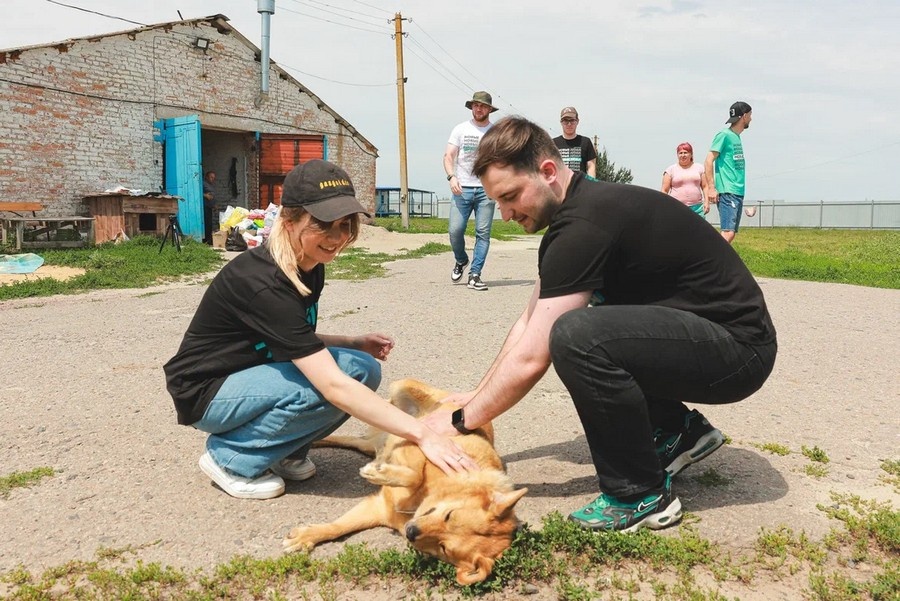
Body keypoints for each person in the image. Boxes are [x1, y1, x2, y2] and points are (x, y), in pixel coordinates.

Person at [422, 117, 777, 533]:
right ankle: (678, 432)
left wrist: (458, 423)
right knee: (584, 327)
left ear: (548, 172)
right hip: (710, 339)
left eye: (511, 196)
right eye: (497, 202)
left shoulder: (585, 226)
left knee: (577, 336)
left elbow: (534, 355)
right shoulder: (579, 217)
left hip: (736, 351)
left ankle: (638, 494)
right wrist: (476, 396)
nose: (504, 213)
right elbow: (528, 322)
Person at [164, 159, 476, 500]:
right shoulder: (264, 283)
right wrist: (423, 434)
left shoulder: (307, 263)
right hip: (206, 391)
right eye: (323, 224)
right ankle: (232, 458)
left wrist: (353, 342)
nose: (336, 238)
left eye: (344, 225)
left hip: (249, 372)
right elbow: (332, 384)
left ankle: (283, 451)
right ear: (289, 219)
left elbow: (291, 338)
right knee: (335, 382)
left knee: (361, 366)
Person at [443, 91, 498, 291]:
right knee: (455, 231)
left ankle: (475, 274)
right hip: (462, 188)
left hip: (486, 190)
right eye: (475, 105)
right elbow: (448, 156)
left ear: (489, 109)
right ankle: (461, 260)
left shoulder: (495, 132)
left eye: (482, 106)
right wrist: (452, 177)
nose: (478, 108)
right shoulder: (460, 129)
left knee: (483, 233)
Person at [705, 101, 752, 244]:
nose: (751, 118)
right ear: (743, 116)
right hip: (727, 191)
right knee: (728, 232)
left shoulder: (736, 137)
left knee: (731, 233)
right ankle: (709, 261)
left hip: (737, 191)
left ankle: (716, 262)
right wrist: (712, 188)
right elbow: (708, 160)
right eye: (750, 115)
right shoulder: (724, 135)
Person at [661, 142, 709, 216]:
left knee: (697, 227)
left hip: (697, 208)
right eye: (680, 153)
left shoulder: (700, 168)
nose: (683, 155)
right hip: (676, 206)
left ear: (691, 154)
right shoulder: (670, 170)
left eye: (685, 153)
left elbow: (705, 186)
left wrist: (706, 202)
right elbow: (664, 190)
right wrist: (664, 205)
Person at [553, 107, 597, 178]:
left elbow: (591, 167)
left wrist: (591, 186)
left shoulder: (586, 142)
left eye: (572, 120)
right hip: (560, 187)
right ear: (561, 122)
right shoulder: (553, 143)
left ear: (577, 121)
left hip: (580, 187)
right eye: (565, 121)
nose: (569, 124)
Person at [202, 170, 218, 244]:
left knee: (209, 224)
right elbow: (197, 192)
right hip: (204, 207)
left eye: (214, 178)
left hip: (209, 207)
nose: (213, 179)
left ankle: (208, 240)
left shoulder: (210, 185)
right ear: (206, 177)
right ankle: (205, 240)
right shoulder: (202, 183)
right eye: (211, 177)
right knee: (206, 224)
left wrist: (214, 205)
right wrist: (205, 195)